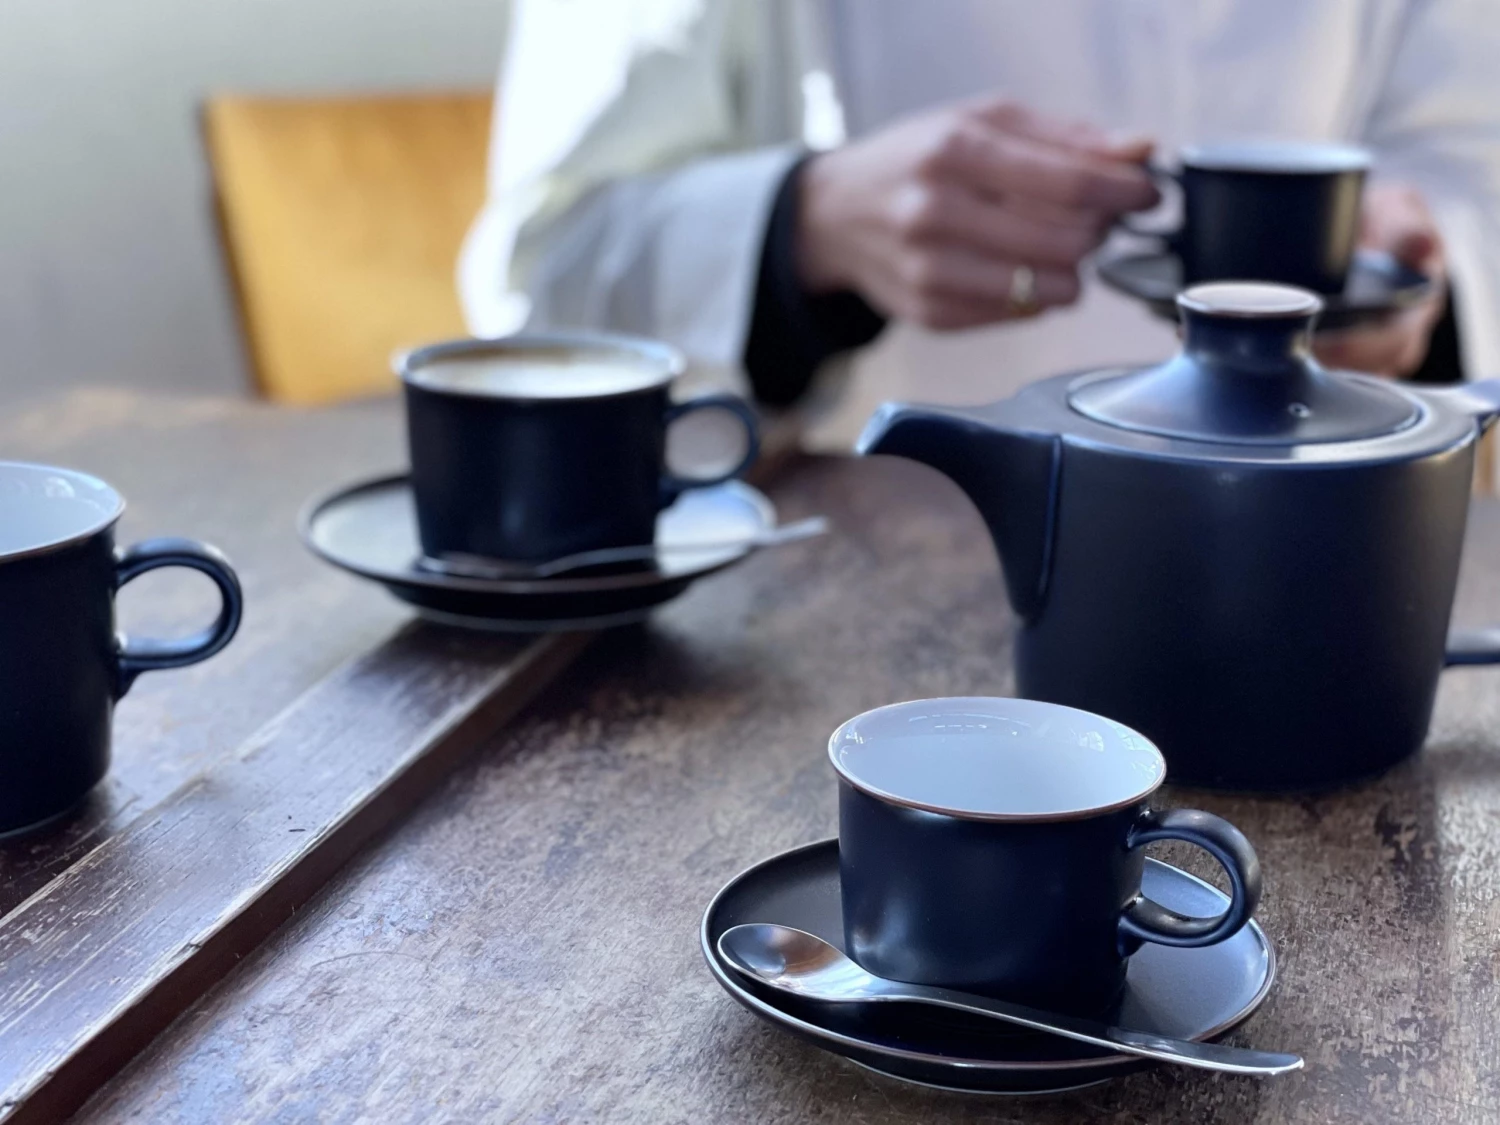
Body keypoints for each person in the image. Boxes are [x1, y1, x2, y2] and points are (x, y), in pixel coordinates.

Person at [459, 1, 1500, 447]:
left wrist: (1422, 283)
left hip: (1303, 543)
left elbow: (1462, 160)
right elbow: (541, 270)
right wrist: (802, 231)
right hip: (866, 569)